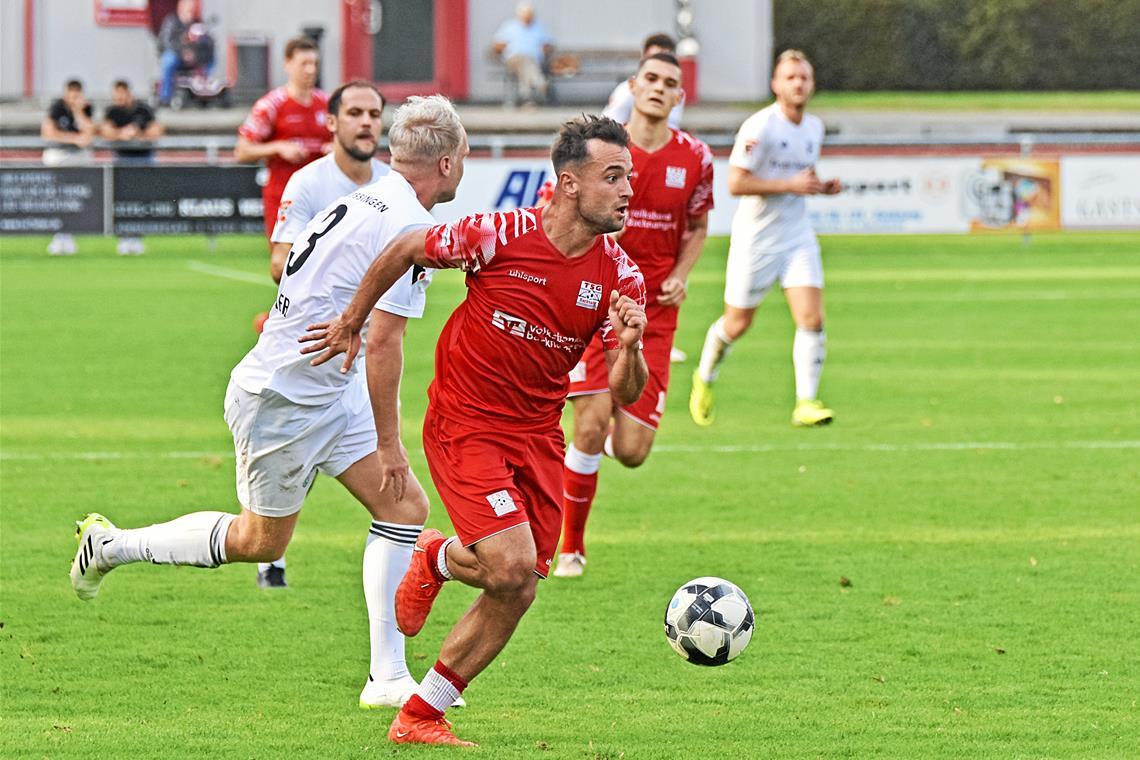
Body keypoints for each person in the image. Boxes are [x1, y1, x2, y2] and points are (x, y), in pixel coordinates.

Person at [69, 95, 471, 712]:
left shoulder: (364, 199)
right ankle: (112, 546)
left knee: (404, 506)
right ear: (446, 164)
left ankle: (386, 676)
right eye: (464, 155)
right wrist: (391, 444)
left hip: (328, 386)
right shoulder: (404, 225)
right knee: (261, 543)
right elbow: (387, 342)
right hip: (283, 399)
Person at [299, 115, 648, 746]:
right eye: (614, 177)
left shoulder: (621, 277)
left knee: (518, 586)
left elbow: (627, 392)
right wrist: (353, 321)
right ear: (568, 184)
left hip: (539, 432)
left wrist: (629, 346)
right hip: (467, 423)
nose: (628, 192)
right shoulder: (500, 234)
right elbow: (407, 246)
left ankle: (421, 709)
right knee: (511, 566)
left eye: (630, 178)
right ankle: (434, 563)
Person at [555, 52, 712, 578]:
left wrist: (682, 273)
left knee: (632, 449)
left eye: (670, 83)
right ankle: (571, 547)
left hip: (655, 314)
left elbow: (696, 228)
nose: (659, 89)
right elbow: (557, 211)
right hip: (595, 300)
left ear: (678, 97)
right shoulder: (600, 149)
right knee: (592, 423)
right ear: (633, 85)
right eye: (651, 79)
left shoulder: (695, 158)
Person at [249, 80, 389, 589]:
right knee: (297, 457)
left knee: (397, 494)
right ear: (332, 123)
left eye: (374, 113)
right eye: (354, 112)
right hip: (308, 351)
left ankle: (390, 628)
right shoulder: (309, 184)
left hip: (360, 356)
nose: (367, 122)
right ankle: (271, 556)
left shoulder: (392, 185)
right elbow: (277, 262)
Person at [690, 49, 842, 428]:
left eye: (804, 77)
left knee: (811, 317)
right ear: (776, 84)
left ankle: (805, 402)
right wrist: (788, 184)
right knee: (736, 324)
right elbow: (736, 182)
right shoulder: (760, 127)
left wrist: (820, 187)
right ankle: (704, 376)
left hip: (797, 235)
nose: (798, 84)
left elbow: (799, 178)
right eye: (790, 77)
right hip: (756, 239)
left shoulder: (813, 128)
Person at [235, 36, 330, 252]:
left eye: (314, 64)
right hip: (284, 197)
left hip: (324, 197)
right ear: (287, 64)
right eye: (303, 64)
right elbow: (242, 150)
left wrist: (337, 150)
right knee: (285, 264)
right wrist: (277, 148)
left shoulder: (327, 104)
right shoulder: (271, 105)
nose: (310, 70)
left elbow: (346, 143)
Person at [102, 79, 165, 256]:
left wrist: (138, 134)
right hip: (122, 161)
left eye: (121, 94)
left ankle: (137, 237)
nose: (119, 98)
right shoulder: (112, 111)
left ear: (128, 93)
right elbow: (106, 132)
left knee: (142, 200)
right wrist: (122, 134)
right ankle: (124, 238)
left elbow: (156, 131)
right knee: (122, 201)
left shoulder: (143, 110)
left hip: (144, 161)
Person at [41, 79, 96, 256]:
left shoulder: (86, 109)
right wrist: (73, 138)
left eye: (76, 96)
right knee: (57, 197)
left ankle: (70, 235)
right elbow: (48, 132)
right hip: (59, 155)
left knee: (77, 197)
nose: (73, 99)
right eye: (71, 96)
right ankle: (59, 236)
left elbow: (88, 136)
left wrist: (78, 112)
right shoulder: (56, 108)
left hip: (78, 157)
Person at [603, 33, 685, 130]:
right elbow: (608, 128)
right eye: (655, 58)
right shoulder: (625, 92)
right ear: (632, 85)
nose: (659, 88)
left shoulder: (676, 92)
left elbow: (672, 128)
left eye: (666, 59)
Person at [491, 2, 554, 106]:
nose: (527, 17)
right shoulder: (509, 26)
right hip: (514, 59)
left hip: (534, 60)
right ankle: (539, 82)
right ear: (519, 14)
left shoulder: (538, 27)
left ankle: (527, 99)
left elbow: (548, 44)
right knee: (524, 60)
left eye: (530, 14)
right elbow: (497, 44)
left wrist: (544, 48)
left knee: (526, 64)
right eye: (525, 14)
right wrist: (503, 47)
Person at [156, 0, 201, 107]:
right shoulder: (171, 21)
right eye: (188, 7)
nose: (190, 10)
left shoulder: (194, 23)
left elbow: (201, 40)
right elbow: (167, 42)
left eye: (192, 8)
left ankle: (204, 94)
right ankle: (165, 97)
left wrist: (194, 51)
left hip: (190, 55)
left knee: (208, 57)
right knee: (168, 61)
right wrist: (182, 53)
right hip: (174, 53)